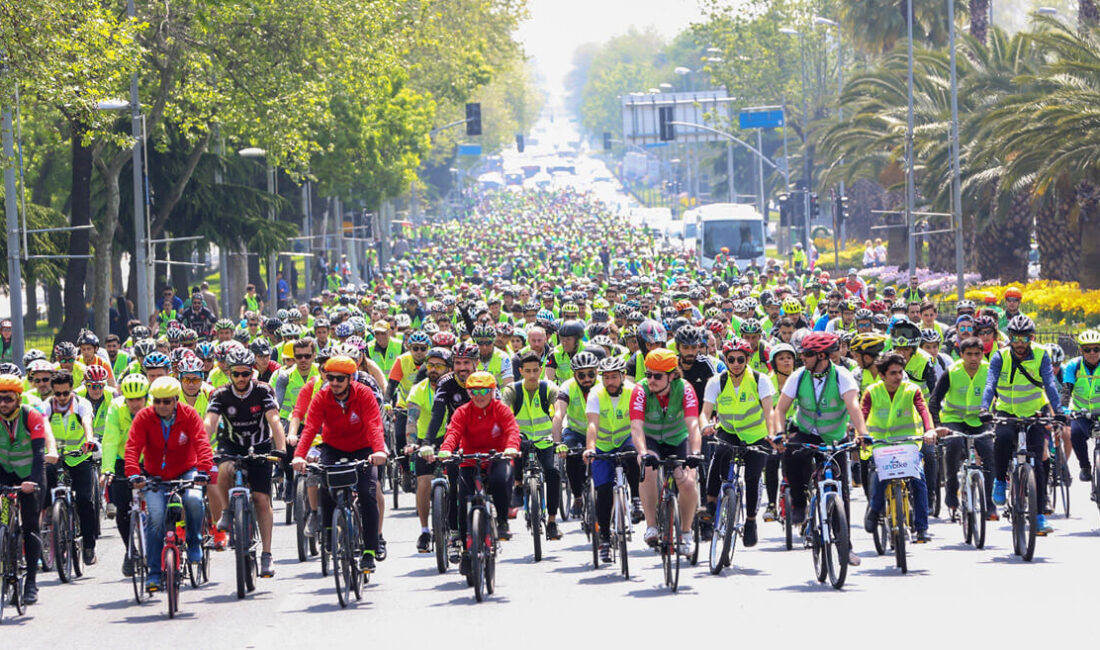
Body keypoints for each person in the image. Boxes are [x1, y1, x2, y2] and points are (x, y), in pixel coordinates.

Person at [292, 356, 388, 574]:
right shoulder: (322, 396)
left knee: (367, 492)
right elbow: (310, 429)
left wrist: (379, 450)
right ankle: (327, 531)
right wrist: (299, 456)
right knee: (325, 484)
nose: (333, 383)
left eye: (339, 379)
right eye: (330, 377)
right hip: (333, 447)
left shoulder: (363, 394)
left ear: (351, 379)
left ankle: (370, 551)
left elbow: (374, 424)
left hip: (363, 448)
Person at [419, 371, 520, 576]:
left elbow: (512, 430)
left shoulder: (501, 410)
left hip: (496, 458)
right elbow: (453, 432)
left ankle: (501, 521)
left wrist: (511, 447)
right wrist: (447, 449)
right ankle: (466, 550)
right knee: (464, 501)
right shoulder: (463, 412)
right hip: (469, 459)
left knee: (500, 481)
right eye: (474, 392)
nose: (479, 396)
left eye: (484, 391)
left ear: (492, 391)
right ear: (468, 393)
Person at [204, 347, 287, 578]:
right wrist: (201, 448)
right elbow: (209, 424)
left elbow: (275, 420)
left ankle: (267, 555)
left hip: (260, 446)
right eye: (236, 374)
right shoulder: (220, 394)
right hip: (231, 444)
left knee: (261, 499)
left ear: (252, 372)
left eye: (245, 374)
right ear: (229, 373)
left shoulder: (263, 391)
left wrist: (280, 449)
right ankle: (228, 512)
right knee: (223, 469)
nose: (241, 379)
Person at [125, 376, 213, 591]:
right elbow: (132, 447)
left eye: (166, 401)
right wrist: (134, 473)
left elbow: (202, 442)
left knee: (193, 500)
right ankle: (154, 572)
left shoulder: (189, 415)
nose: (161, 406)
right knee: (155, 517)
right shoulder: (144, 417)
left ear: (175, 400)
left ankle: (194, 542)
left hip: (186, 470)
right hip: (155, 476)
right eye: (157, 401)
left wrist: (203, 470)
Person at [774, 333, 868, 526]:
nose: (802, 358)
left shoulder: (842, 376)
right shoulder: (798, 376)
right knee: (791, 452)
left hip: (835, 438)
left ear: (822, 356)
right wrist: (779, 433)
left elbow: (853, 406)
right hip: (806, 432)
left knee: (841, 490)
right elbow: (780, 409)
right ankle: (799, 504)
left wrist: (863, 434)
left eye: (807, 354)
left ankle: (845, 546)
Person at [981, 315, 1063, 535]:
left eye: (1024, 338)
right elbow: (990, 384)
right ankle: (1000, 480)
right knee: (1004, 439)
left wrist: (1060, 411)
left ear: (1031, 337)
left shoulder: (1041, 354)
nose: (1019, 343)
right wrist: (984, 408)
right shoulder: (1000, 357)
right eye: (1015, 338)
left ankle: (1039, 514)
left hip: (1035, 411)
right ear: (1009, 337)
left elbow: (1049, 383)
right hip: (1007, 410)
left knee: (1037, 459)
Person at [699, 339, 779, 550]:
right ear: (725, 359)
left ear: (748, 359)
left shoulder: (760, 380)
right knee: (719, 454)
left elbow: (769, 411)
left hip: (756, 435)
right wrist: (705, 426)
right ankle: (710, 504)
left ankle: (751, 521)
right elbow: (705, 412)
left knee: (753, 478)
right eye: (731, 359)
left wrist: (771, 434)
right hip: (729, 431)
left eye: (740, 359)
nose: (735, 363)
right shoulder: (717, 381)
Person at [861, 353, 938, 543]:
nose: (898, 377)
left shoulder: (912, 390)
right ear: (882, 375)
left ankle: (921, 528)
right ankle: (874, 509)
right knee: (881, 476)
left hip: (908, 445)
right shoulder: (872, 391)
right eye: (893, 373)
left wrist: (929, 431)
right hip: (880, 445)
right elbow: (861, 414)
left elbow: (923, 411)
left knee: (918, 480)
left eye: (900, 372)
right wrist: (859, 435)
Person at [631, 348, 703, 550]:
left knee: (688, 483)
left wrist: (696, 453)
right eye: (648, 374)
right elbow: (636, 427)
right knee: (647, 469)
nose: (651, 380)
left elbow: (693, 424)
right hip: (650, 439)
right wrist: (642, 452)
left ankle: (686, 533)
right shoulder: (640, 390)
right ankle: (652, 526)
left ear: (672, 375)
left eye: (657, 376)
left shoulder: (685, 388)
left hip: (677, 439)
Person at [928, 337, 996, 521]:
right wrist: (937, 425)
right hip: (953, 419)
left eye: (977, 354)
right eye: (969, 354)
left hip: (980, 420)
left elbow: (1001, 395)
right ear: (961, 355)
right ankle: (951, 491)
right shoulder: (952, 372)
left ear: (983, 354)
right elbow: (934, 401)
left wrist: (996, 416)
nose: (974, 358)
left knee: (989, 455)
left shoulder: (990, 370)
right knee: (954, 446)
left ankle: (990, 504)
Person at [583, 355, 643, 562]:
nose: (610, 382)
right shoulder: (595, 394)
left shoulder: (634, 391)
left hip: (627, 437)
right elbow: (592, 424)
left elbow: (637, 423)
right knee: (603, 492)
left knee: (633, 457)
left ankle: (636, 499)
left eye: (614, 377)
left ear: (623, 376)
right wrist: (590, 449)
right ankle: (606, 541)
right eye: (606, 377)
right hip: (603, 445)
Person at [39, 370, 101, 565]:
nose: (62, 397)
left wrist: (89, 440)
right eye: (58, 394)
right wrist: (48, 450)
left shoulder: (82, 404)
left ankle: (89, 546)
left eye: (66, 393)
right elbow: (44, 428)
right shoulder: (46, 406)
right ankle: (47, 532)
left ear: (72, 390)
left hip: (79, 457)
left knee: (84, 500)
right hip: (54, 457)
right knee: (41, 496)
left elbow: (87, 423)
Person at [501, 350, 564, 540]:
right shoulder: (513, 390)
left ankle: (552, 522)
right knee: (514, 455)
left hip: (545, 440)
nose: (532, 375)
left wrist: (558, 441)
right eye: (527, 371)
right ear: (520, 371)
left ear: (540, 369)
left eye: (536, 370)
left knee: (553, 473)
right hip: (521, 439)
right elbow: (504, 413)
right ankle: (518, 486)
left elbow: (559, 413)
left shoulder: (549, 388)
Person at [0, 373, 52, 604]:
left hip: (30, 474)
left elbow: (40, 453)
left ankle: (30, 582)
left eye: (9, 399)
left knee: (30, 527)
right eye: (0, 399)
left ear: (19, 399)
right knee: (4, 525)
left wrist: (32, 482)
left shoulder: (31, 415)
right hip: (4, 470)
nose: (3, 403)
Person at [1064, 330, 1100, 482]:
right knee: (1075, 434)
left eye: (1096, 349)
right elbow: (1066, 390)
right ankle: (1085, 466)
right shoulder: (1074, 365)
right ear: (1081, 350)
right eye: (1087, 349)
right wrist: (1064, 409)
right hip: (1081, 413)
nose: (1092, 353)